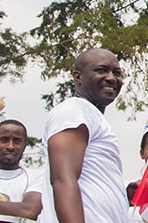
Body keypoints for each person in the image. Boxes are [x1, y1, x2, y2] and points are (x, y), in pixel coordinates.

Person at [41, 47, 129, 223]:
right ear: (78, 77)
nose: (112, 78)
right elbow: (62, 178)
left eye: (117, 73)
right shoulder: (75, 109)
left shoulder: (91, 116)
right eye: (101, 70)